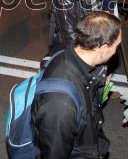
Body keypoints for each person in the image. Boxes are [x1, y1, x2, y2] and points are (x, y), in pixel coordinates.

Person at [31, 11, 122, 158]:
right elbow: (54, 153)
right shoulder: (60, 104)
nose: (117, 51)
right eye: (116, 46)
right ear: (103, 48)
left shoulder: (73, 55)